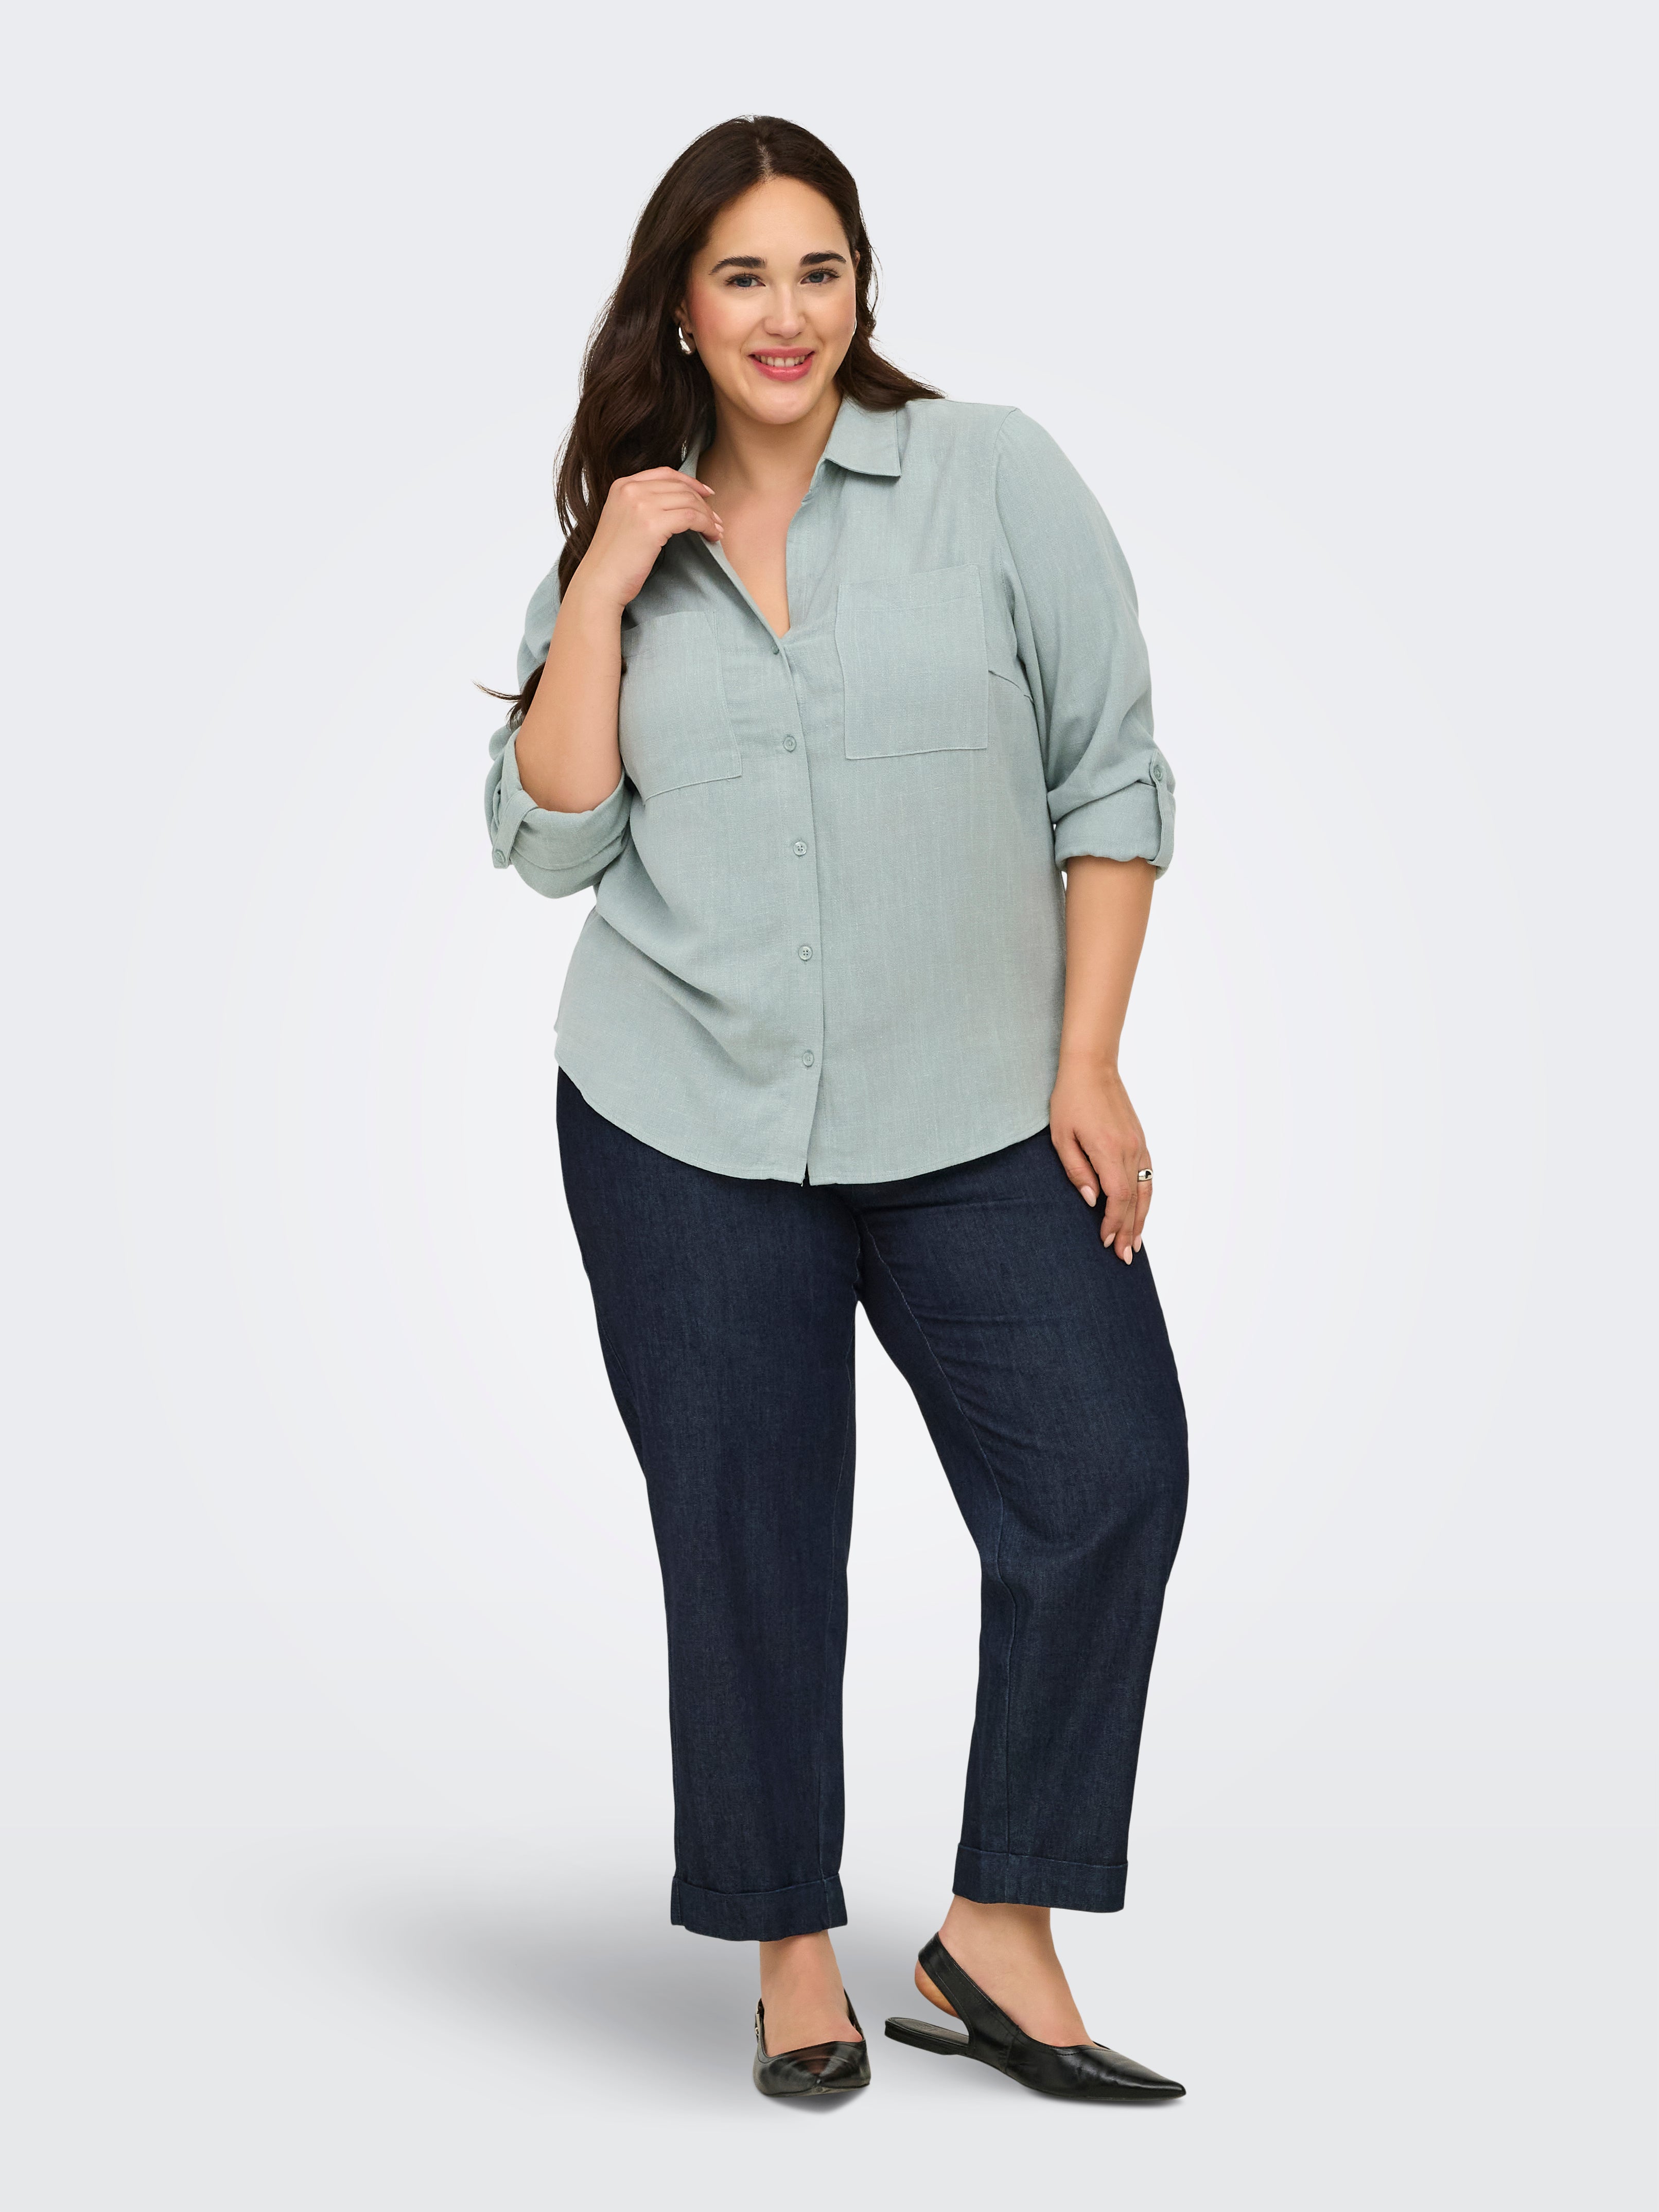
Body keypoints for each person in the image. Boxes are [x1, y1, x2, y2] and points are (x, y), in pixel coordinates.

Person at [482, 115, 1188, 2102]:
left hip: (979, 1106)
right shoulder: (623, 541)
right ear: (681, 312)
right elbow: (551, 839)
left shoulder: (992, 475)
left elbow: (1109, 775)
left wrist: (1087, 1059)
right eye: (743, 277)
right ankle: (790, 1941)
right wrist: (606, 585)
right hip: (684, 1119)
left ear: (863, 287)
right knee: (751, 1535)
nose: (786, 313)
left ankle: (994, 1934)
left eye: (819, 270)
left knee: (1110, 1475)